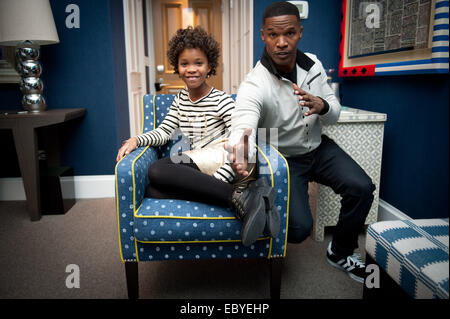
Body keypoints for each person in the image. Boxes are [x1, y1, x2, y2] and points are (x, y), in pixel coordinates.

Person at [226, 2, 375, 283]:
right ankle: (294, 192)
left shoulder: (314, 65)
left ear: (300, 33)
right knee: (297, 230)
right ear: (263, 35)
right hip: (286, 159)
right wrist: (240, 142)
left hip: (319, 149)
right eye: (273, 35)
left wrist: (322, 105)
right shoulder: (255, 82)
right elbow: (244, 116)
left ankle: (340, 251)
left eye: (289, 33)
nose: (281, 43)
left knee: (362, 187)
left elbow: (333, 113)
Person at [116, 26, 279, 247]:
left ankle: (240, 196)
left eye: (198, 63)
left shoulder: (221, 100)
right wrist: (137, 139)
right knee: (152, 189)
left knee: (157, 169)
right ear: (177, 67)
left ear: (209, 66)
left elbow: (239, 143)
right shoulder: (180, 100)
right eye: (185, 64)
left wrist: (218, 179)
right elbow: (164, 132)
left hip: (224, 158)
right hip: (201, 159)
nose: (191, 69)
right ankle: (249, 198)